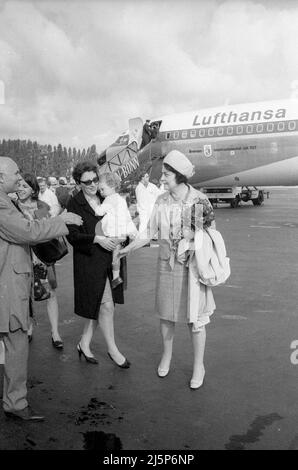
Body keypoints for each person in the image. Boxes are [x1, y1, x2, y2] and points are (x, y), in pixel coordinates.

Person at [119, 150, 216, 390]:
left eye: (166, 173)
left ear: (180, 175)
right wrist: (127, 248)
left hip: (192, 269)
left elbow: (212, 235)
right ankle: (167, 355)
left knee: (196, 321)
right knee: (166, 316)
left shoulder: (199, 200)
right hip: (166, 266)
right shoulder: (161, 200)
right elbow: (149, 232)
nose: (161, 178)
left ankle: (198, 366)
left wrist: (195, 242)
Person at [0, 157, 82, 421]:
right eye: (15, 173)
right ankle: (15, 403)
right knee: (16, 341)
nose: (19, 177)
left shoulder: (6, 200)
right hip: (8, 288)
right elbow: (26, 231)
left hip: (10, 284)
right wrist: (62, 221)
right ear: (1, 177)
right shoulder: (1, 203)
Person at [66, 161, 130, 368]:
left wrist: (123, 239)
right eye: (87, 182)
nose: (93, 184)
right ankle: (113, 350)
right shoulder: (74, 203)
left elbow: (121, 218)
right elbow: (73, 236)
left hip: (111, 260)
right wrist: (97, 239)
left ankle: (84, 343)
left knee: (99, 305)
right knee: (106, 306)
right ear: (78, 183)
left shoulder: (107, 195)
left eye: (95, 179)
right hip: (90, 261)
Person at [16, 174, 65, 348]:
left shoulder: (42, 206)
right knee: (26, 294)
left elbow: (49, 230)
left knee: (50, 293)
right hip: (21, 257)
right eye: (18, 185)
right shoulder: (13, 207)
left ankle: (55, 332)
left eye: (25, 186)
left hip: (42, 257)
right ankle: (29, 327)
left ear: (33, 189)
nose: (20, 189)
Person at [95, 172, 137, 288]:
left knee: (111, 255)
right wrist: (132, 231)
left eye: (102, 189)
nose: (101, 192)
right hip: (121, 234)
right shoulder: (121, 199)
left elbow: (99, 212)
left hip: (112, 233)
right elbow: (127, 216)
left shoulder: (109, 199)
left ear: (112, 186)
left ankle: (115, 277)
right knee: (116, 255)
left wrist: (95, 204)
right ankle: (116, 276)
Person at [135, 172, 160, 237]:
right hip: (144, 211)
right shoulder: (139, 188)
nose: (148, 178)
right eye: (146, 177)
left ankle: (154, 236)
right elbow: (141, 202)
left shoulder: (152, 186)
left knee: (154, 224)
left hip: (153, 209)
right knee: (143, 225)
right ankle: (142, 239)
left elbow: (159, 194)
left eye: (148, 176)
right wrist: (144, 211)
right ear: (142, 178)